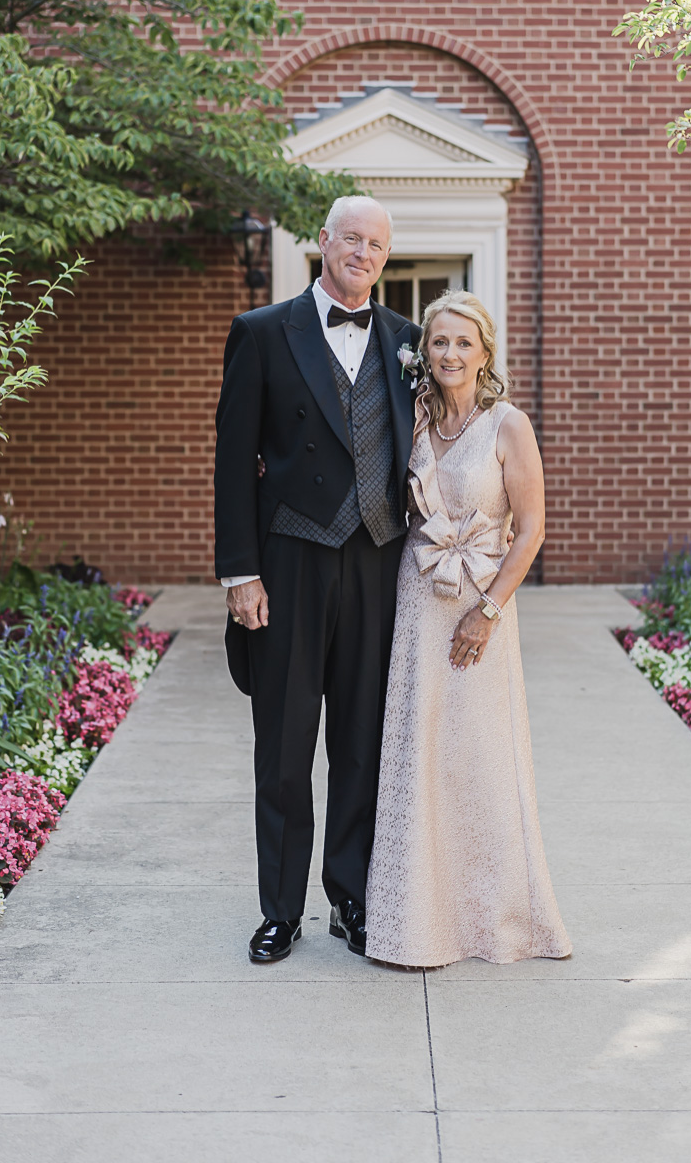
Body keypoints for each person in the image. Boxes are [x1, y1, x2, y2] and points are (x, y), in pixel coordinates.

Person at [214, 195, 420, 963]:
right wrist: (240, 573)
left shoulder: (406, 342)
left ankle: (352, 900)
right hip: (290, 560)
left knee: (363, 745)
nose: (361, 252)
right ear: (324, 242)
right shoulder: (263, 333)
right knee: (285, 746)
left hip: (378, 558)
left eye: (376, 243)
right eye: (350, 238)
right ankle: (279, 910)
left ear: (384, 258)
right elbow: (233, 461)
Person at [365, 290, 571, 966]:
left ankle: (495, 921)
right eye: (438, 342)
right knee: (419, 754)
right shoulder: (414, 417)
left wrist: (487, 612)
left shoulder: (508, 424)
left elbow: (532, 527)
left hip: (480, 604)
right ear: (424, 352)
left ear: (485, 352)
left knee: (479, 757)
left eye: (462, 342)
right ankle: (418, 922)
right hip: (418, 602)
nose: (450, 354)